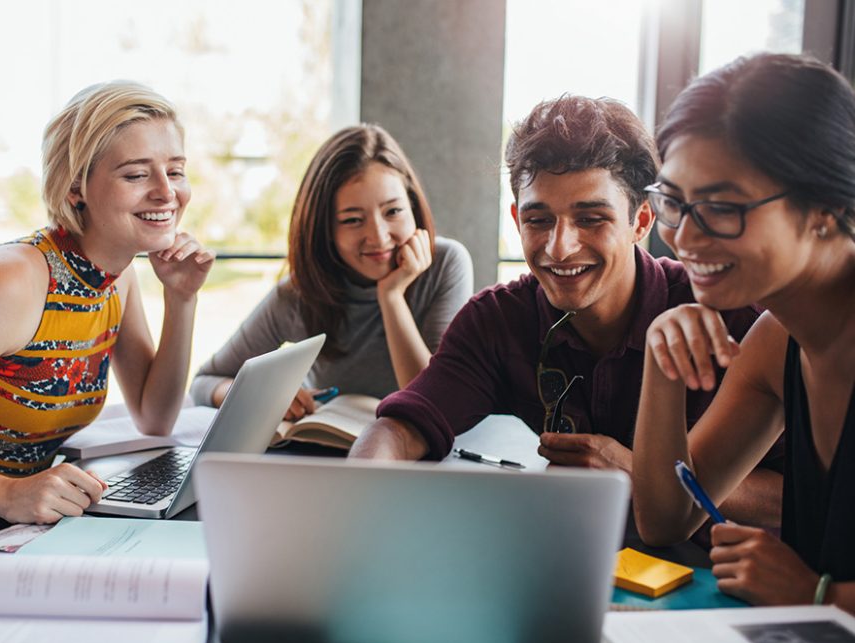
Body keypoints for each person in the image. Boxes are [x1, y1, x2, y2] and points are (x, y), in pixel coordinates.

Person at [350, 95, 782, 528]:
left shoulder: (732, 316)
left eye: (591, 219)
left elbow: (801, 500)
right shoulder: (496, 319)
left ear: (642, 221)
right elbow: (398, 429)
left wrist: (635, 472)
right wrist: (356, 507)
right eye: (539, 221)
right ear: (517, 219)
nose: (559, 248)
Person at [0, 81, 214, 546]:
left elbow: (155, 417)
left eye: (175, 171)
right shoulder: (10, 281)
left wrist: (182, 298)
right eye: (136, 175)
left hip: (9, 526)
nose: (165, 192)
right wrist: (9, 494)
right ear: (76, 188)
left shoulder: (116, 275)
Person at [632, 53, 855, 611]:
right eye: (674, 203)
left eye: (720, 207)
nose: (683, 237)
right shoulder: (776, 340)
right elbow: (665, 519)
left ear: (826, 207)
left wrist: (816, 594)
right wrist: (663, 366)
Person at [189, 124, 473, 420]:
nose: (378, 236)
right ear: (325, 229)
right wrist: (263, 398)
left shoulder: (446, 264)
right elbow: (204, 383)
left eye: (393, 212)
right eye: (352, 220)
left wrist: (391, 296)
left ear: (413, 206)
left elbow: (432, 401)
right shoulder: (299, 294)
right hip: (326, 455)